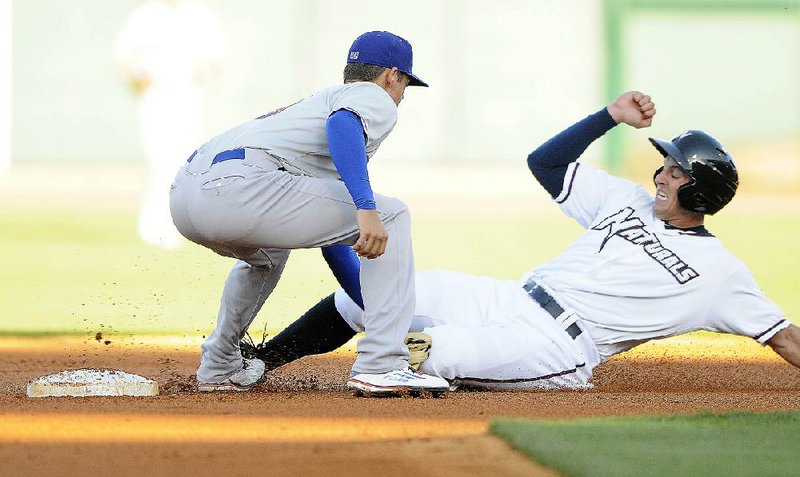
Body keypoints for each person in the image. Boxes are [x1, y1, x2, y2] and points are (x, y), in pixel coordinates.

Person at [242, 91, 800, 391]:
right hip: (507, 296)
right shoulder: (625, 200)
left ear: (699, 194)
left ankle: (416, 365)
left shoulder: (721, 273)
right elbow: (546, 162)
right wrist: (608, 116)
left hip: (556, 348)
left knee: (430, 354)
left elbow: (784, 337)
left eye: (676, 173)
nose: (662, 174)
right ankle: (258, 365)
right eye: (667, 166)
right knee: (368, 296)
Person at [169, 31, 450, 396]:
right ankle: (382, 363)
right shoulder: (371, 96)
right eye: (405, 85)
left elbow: (332, 241)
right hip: (238, 188)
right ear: (391, 75)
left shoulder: (314, 107)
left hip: (187, 196)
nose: (400, 95)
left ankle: (220, 363)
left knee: (268, 254)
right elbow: (343, 124)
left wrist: (372, 309)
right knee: (392, 215)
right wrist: (366, 208)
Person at [114, 0, 227, 249]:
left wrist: (192, 73)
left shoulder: (200, 15)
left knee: (182, 159)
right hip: (153, 94)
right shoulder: (145, 15)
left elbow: (216, 57)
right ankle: (151, 224)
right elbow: (123, 57)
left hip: (186, 94)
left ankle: (177, 225)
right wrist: (138, 80)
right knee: (155, 156)